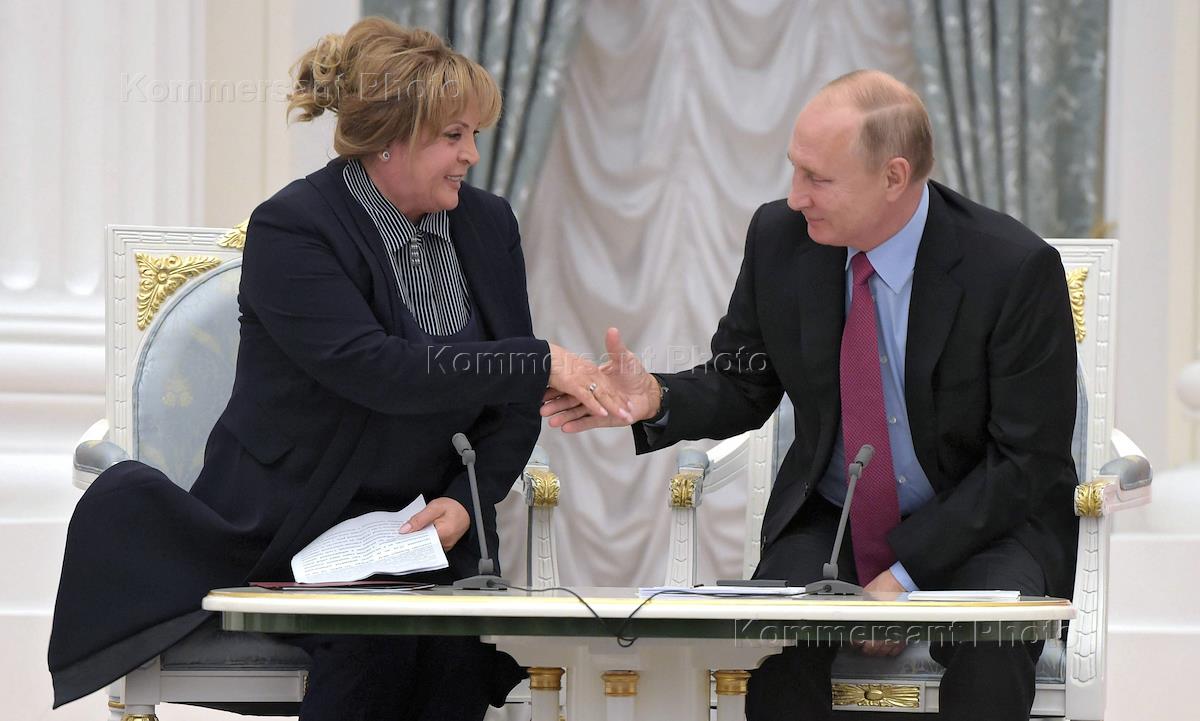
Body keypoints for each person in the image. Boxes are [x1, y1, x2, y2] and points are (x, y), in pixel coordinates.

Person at [49, 17, 630, 721]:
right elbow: (376, 368)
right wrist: (539, 360)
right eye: (453, 135)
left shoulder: (488, 223)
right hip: (296, 523)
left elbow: (508, 406)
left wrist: (466, 500)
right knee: (376, 641)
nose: (472, 155)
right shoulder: (294, 227)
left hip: (424, 535)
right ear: (389, 137)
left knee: (452, 655)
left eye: (475, 134)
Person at [540, 69, 1079, 721]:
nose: (796, 197)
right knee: (776, 650)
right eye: (795, 170)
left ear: (893, 177)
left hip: (985, 520)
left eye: (817, 178)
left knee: (991, 650)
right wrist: (655, 396)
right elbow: (742, 382)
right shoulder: (781, 239)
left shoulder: (1012, 268)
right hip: (836, 515)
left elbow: (1026, 461)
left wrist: (903, 578)